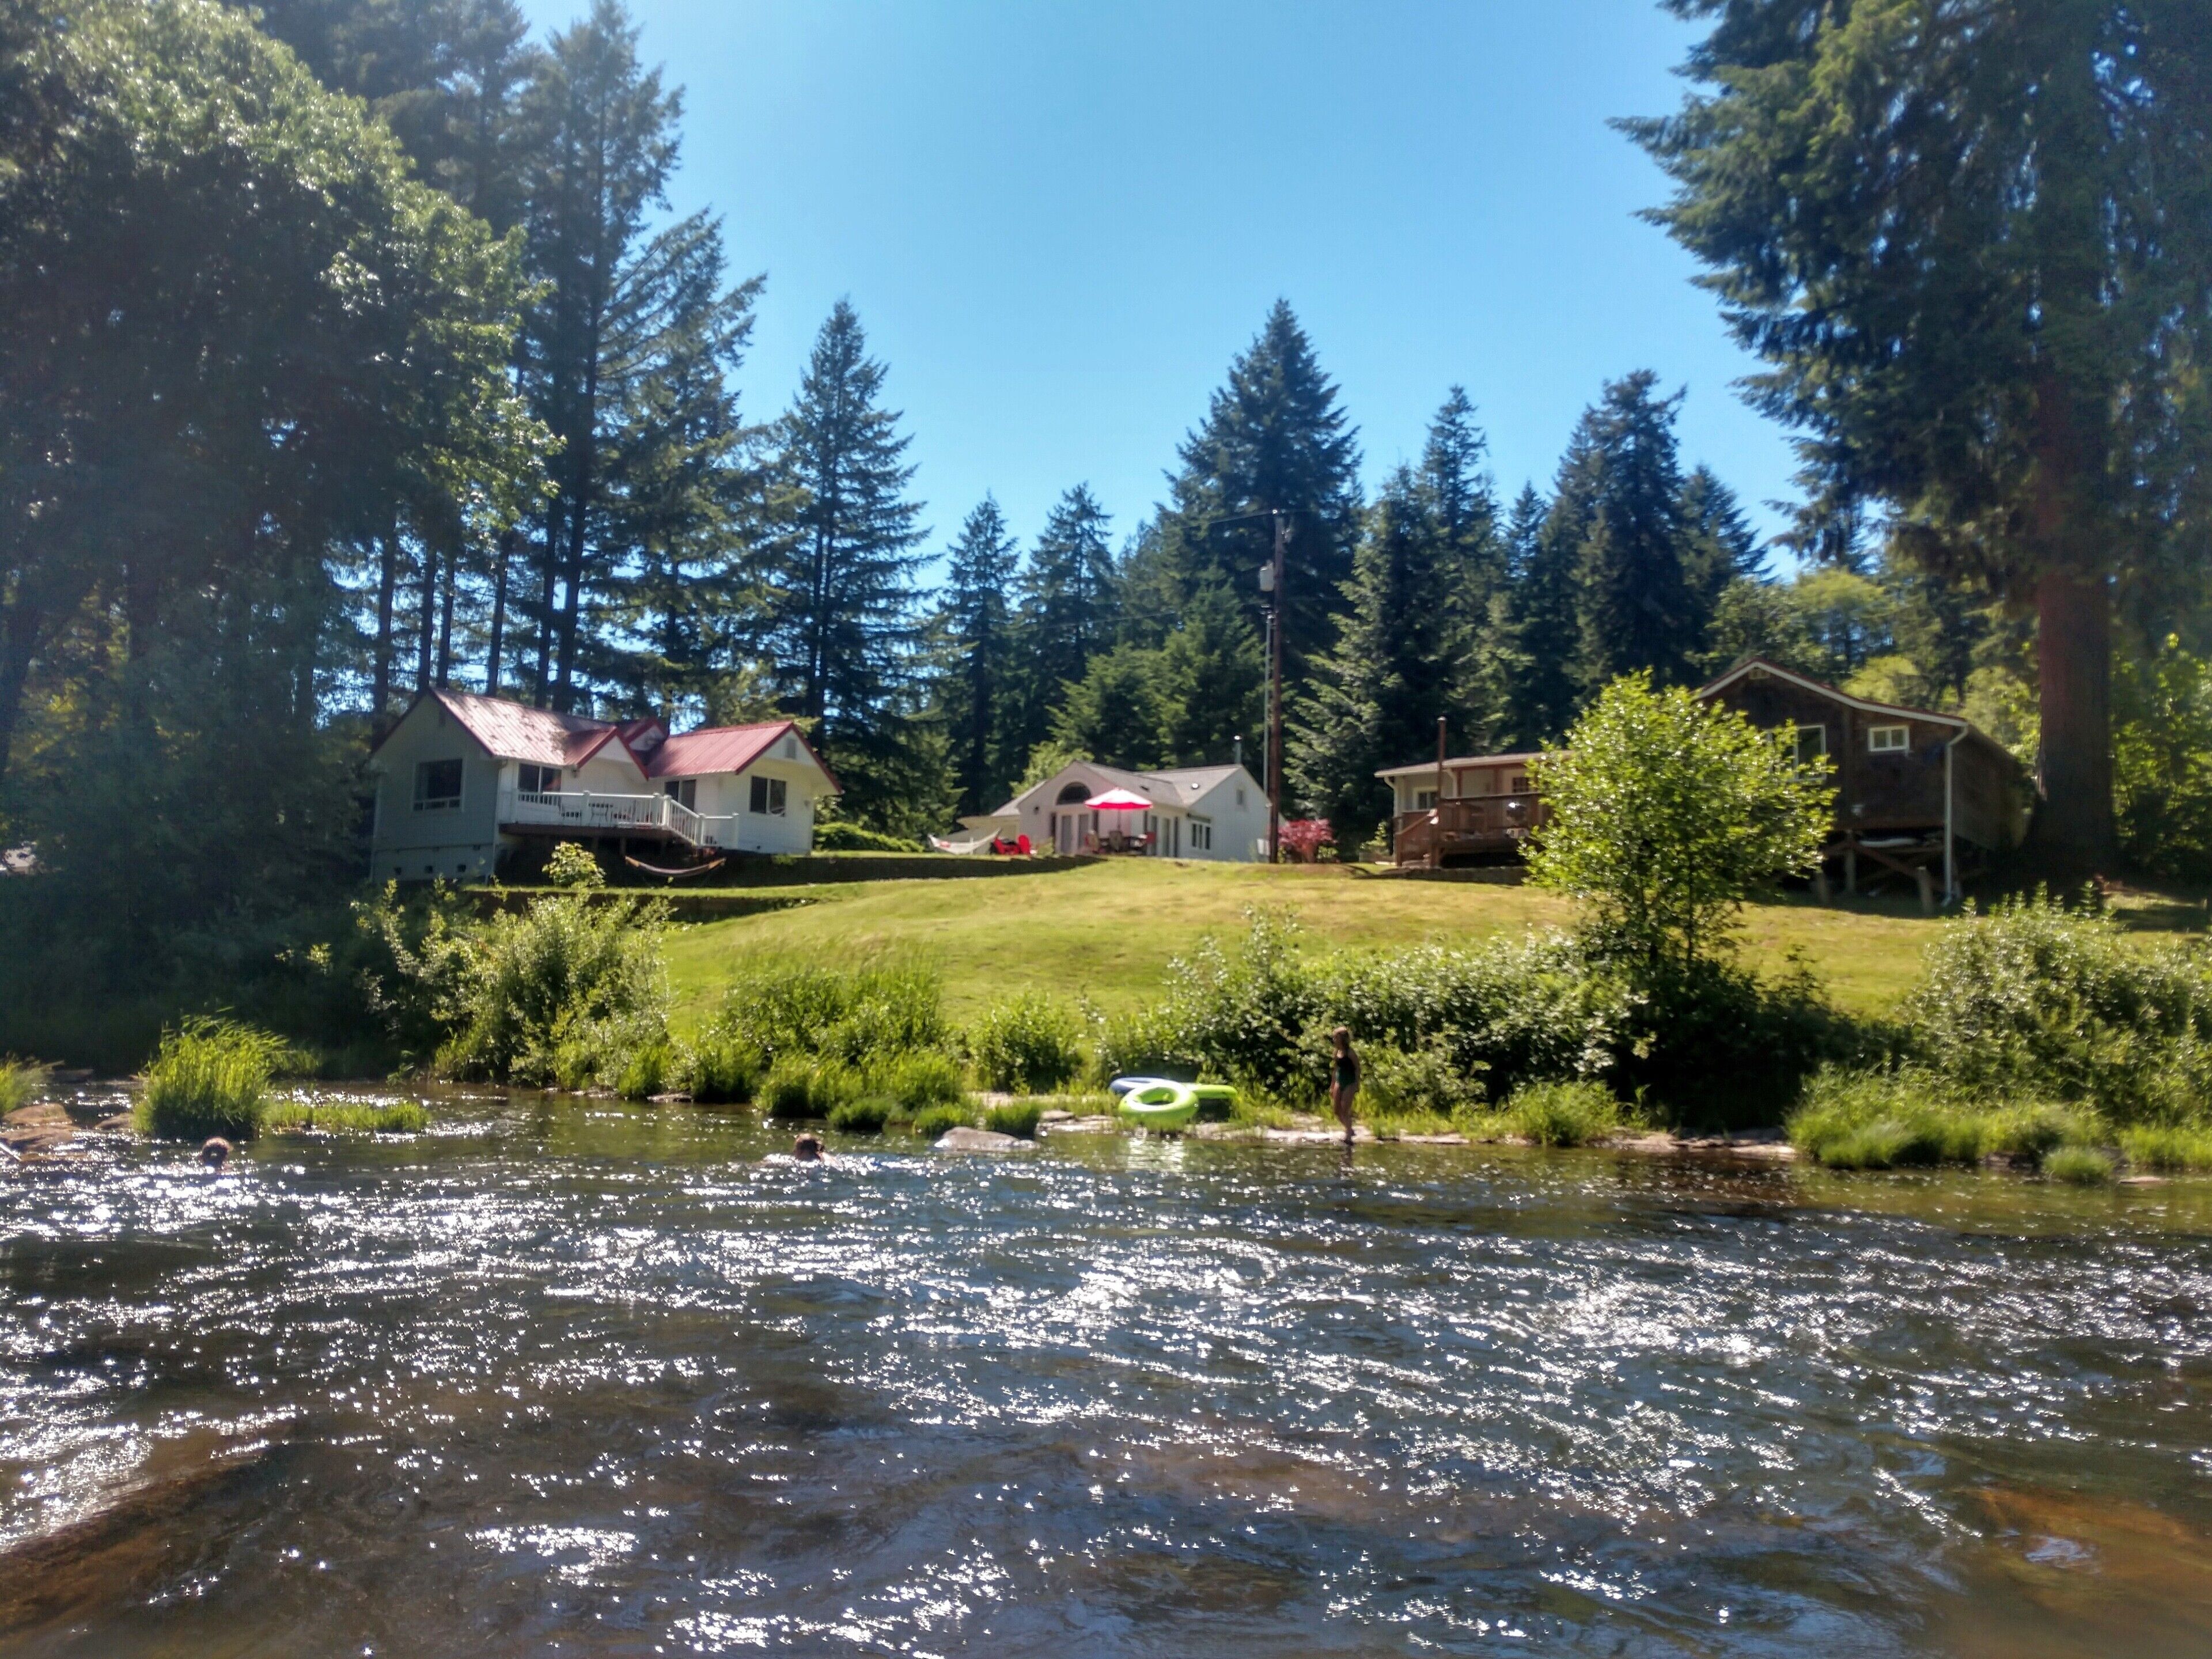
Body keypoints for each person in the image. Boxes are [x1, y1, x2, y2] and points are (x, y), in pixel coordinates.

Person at [1329, 1028, 1359, 1146]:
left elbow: (1357, 1068)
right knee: (1337, 1110)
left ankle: (1348, 1134)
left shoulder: (1350, 1052)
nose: (1334, 1039)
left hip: (1350, 1082)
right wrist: (1332, 1085)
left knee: (1345, 1109)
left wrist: (1357, 1083)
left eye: (1336, 1037)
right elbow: (1335, 1069)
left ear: (1342, 1038)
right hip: (1339, 1081)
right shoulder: (1337, 1052)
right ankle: (1350, 1129)